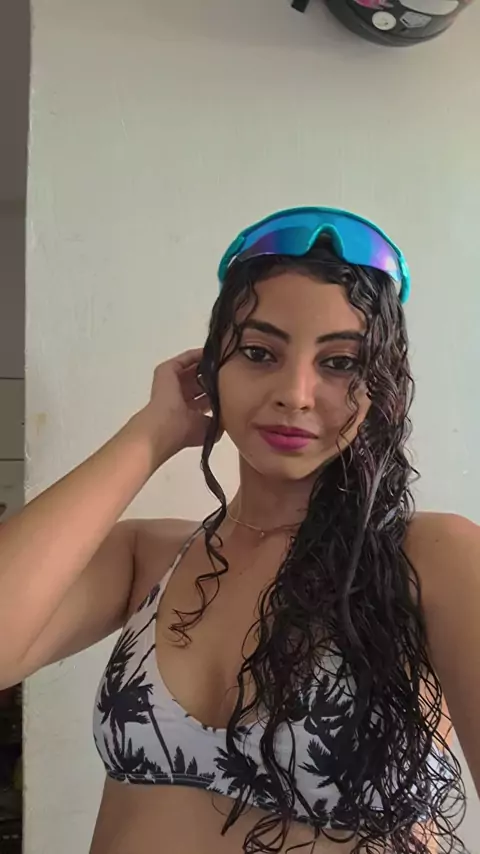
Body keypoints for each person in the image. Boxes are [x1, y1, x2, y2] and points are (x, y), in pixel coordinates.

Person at [0, 206, 478, 854]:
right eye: (259, 352)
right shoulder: (148, 558)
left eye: (340, 362)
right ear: (211, 370)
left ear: (380, 385)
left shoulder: (434, 560)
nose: (296, 393)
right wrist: (153, 433)